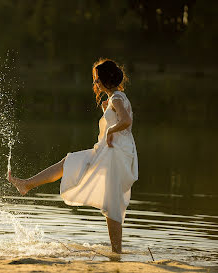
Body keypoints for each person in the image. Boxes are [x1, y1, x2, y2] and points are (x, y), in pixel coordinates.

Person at [8, 58, 138, 253]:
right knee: (70, 164)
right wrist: (107, 112)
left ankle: (116, 253)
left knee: (112, 203)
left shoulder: (117, 98)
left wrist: (110, 130)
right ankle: (27, 184)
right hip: (113, 152)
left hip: (114, 154)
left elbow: (126, 121)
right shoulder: (117, 97)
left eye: (96, 80)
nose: (95, 83)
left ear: (104, 80)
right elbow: (122, 120)